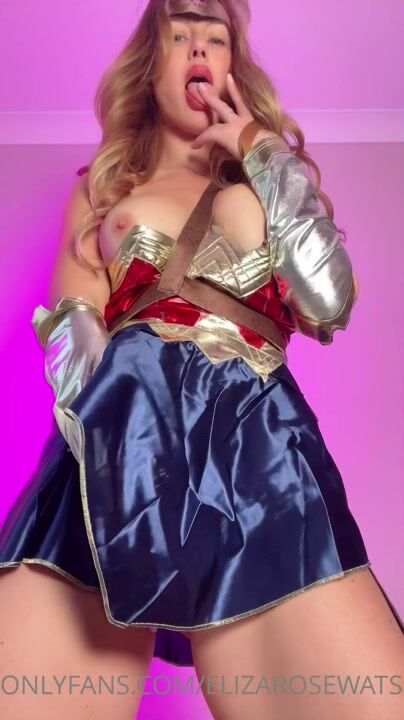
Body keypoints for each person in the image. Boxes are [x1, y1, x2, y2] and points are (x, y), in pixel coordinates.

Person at [0, 1, 403, 718]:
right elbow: (69, 318)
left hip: (258, 439)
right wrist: (112, 446)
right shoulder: (103, 188)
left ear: (230, 67)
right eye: (178, 34)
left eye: (214, 38)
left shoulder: (267, 180)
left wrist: (259, 147)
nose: (197, 48)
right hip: (121, 436)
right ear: (150, 64)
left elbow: (328, 300)